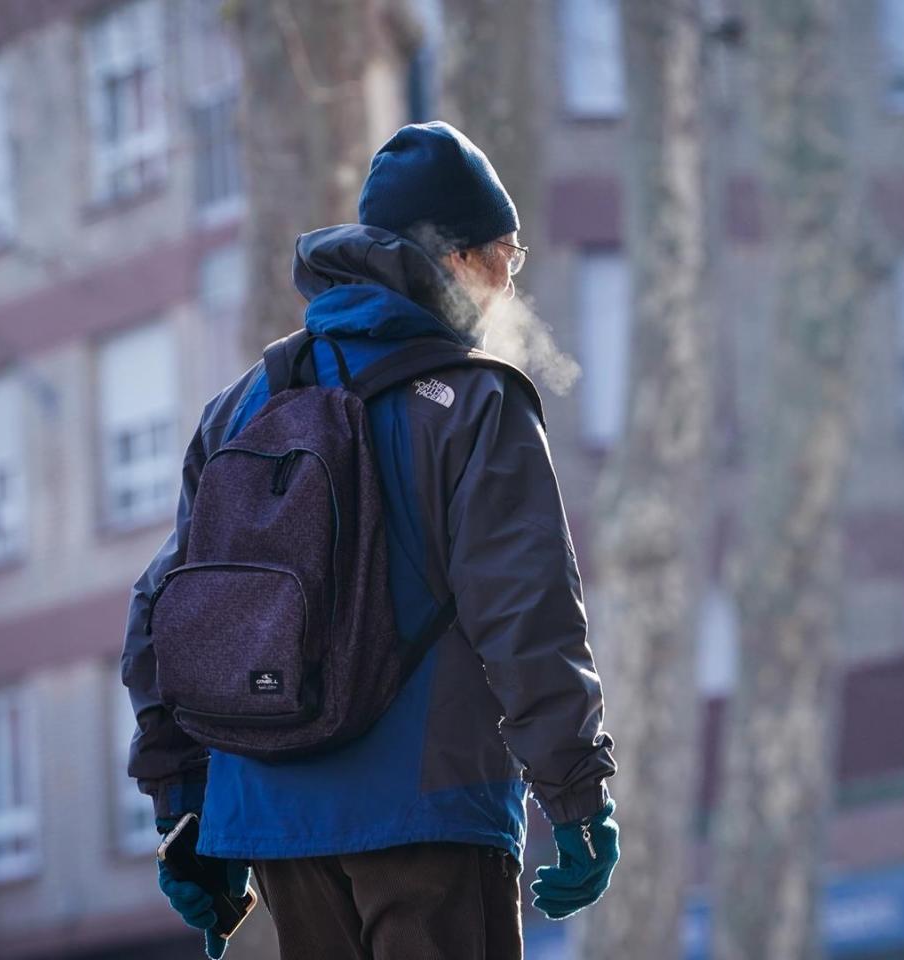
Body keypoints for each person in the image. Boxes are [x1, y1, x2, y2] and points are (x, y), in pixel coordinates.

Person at [121, 122, 618, 960]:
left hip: (274, 824)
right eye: (506, 255)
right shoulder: (475, 403)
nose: (508, 281)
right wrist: (577, 797)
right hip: (429, 816)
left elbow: (164, 610)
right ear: (454, 257)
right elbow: (527, 613)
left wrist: (185, 811)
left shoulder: (241, 405)